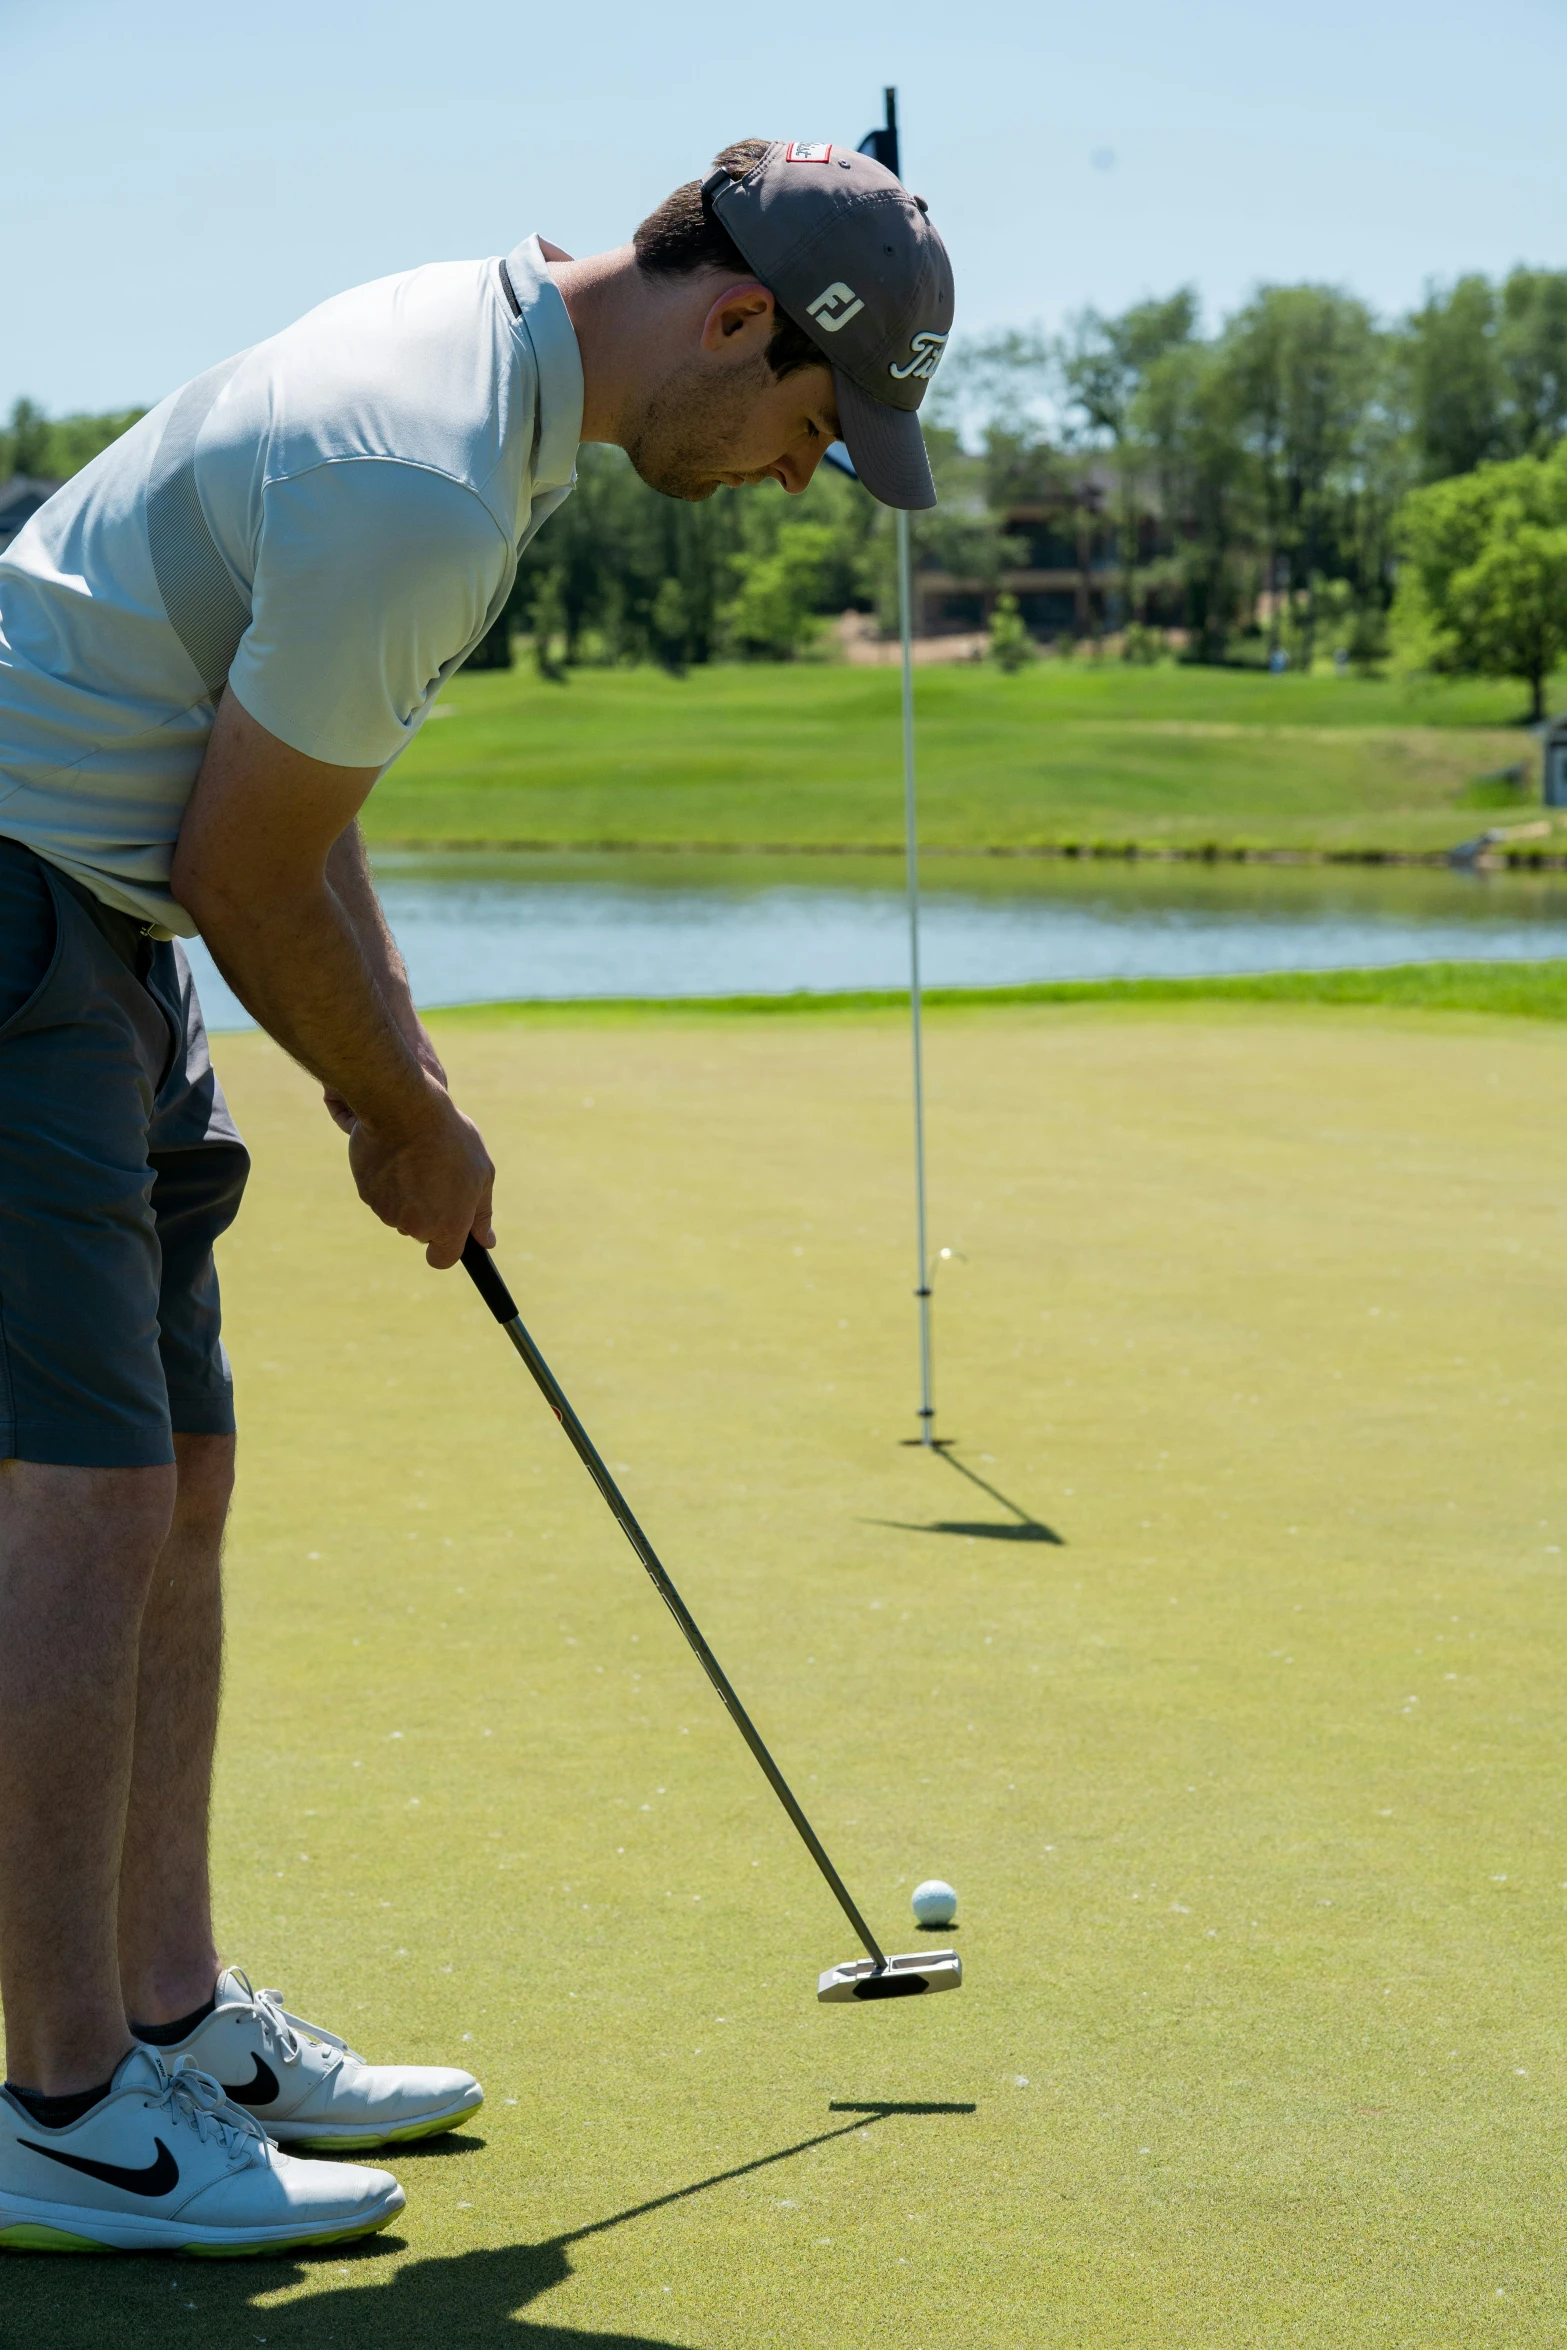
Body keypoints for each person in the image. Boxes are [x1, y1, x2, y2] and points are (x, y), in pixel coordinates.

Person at [0, 137, 952, 2256]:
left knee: (186, 1465)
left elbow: (289, 796)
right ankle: (58, 2096)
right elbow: (249, 865)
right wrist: (393, 1117)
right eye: (816, 421)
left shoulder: (497, 385)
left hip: (106, 921)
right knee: (79, 1487)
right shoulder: (427, 467)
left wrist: (403, 1083)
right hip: (20, 904)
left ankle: (169, 2015)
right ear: (733, 322)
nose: (808, 474)